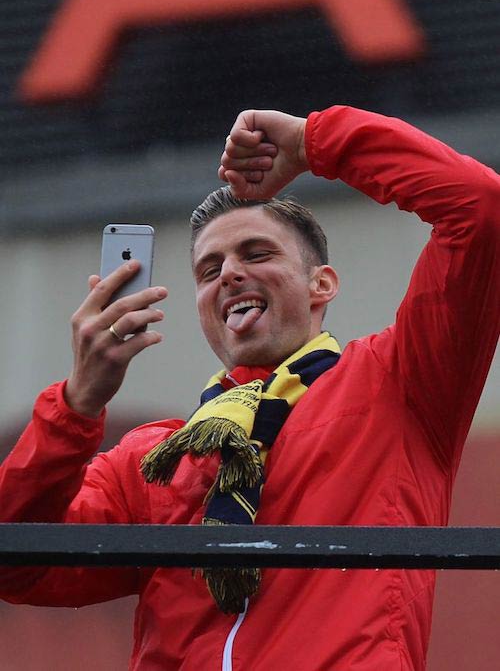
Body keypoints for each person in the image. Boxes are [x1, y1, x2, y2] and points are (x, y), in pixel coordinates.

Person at [0, 104, 499, 671]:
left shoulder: (400, 382)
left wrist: (318, 143)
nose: (230, 274)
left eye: (257, 254)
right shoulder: (153, 460)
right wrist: (76, 403)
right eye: (209, 271)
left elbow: (481, 210)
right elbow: (18, 565)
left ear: (322, 284)